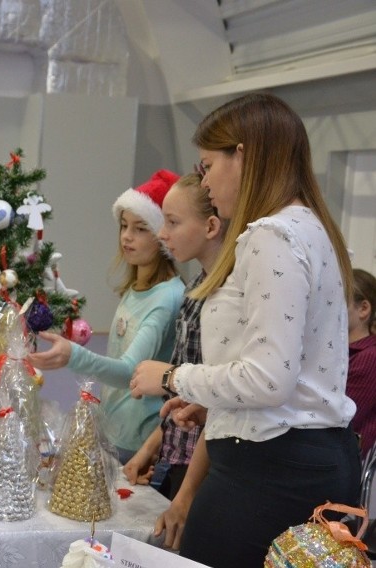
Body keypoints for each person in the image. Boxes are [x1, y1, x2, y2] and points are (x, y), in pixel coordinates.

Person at [130, 92, 359, 568]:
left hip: (269, 473)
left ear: (244, 155)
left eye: (208, 164)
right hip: (306, 460)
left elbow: (268, 380)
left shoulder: (270, 234)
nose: (206, 181)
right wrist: (216, 400)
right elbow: (289, 375)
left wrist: (173, 377)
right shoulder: (310, 226)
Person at [28, 170, 185, 463]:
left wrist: (72, 356)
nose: (127, 236)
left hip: (136, 438)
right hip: (114, 428)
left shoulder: (167, 298)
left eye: (141, 229)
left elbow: (130, 372)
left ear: (163, 234)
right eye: (124, 226)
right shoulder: (136, 288)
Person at [123, 172, 225, 499]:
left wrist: (184, 498)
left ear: (211, 227)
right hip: (176, 454)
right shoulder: (195, 287)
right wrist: (151, 448)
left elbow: (218, 399)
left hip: (205, 467)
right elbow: (179, 400)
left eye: (172, 222)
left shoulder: (225, 296)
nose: (162, 234)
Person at [347, 267, 376, 456]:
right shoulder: (342, 352)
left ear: (363, 309)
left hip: (349, 461)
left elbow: (344, 417)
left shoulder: (369, 356)